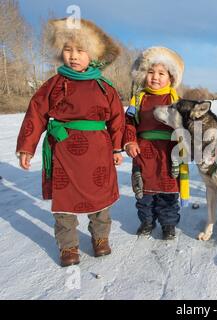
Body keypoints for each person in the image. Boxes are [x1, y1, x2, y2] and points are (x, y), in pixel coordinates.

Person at [16, 18, 125, 267]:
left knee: (100, 198)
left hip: (98, 151)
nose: (73, 56)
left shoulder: (104, 86)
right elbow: (35, 114)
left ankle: (100, 238)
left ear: (93, 54)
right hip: (64, 151)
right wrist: (27, 147)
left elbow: (118, 118)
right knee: (64, 199)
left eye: (80, 50)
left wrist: (117, 147)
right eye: (68, 49)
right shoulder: (53, 85)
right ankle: (68, 246)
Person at [123, 47, 184, 240]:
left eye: (161, 73)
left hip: (169, 152)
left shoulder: (175, 100)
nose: (155, 77)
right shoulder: (139, 99)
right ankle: (147, 222)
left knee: (168, 192)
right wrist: (130, 141)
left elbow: (185, 126)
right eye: (150, 72)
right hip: (144, 149)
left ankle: (168, 224)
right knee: (144, 191)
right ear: (143, 74)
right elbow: (129, 122)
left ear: (171, 77)